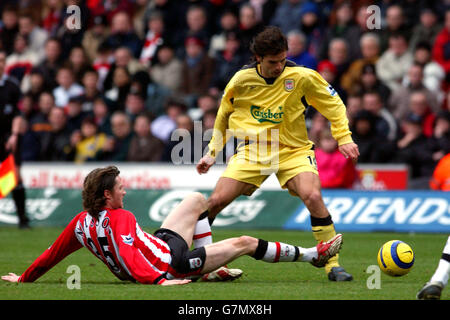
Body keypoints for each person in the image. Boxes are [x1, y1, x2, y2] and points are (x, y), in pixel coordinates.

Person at [196, 26, 359, 282]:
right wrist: (211, 152)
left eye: (283, 60)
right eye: (273, 62)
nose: (279, 66)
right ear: (258, 58)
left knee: (313, 195)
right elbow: (224, 114)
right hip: (254, 151)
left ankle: (332, 264)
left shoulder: (303, 77)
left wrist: (344, 137)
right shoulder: (241, 80)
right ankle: (199, 260)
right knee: (214, 202)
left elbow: (334, 105)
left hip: (293, 150)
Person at [1, 166, 343, 285]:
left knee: (196, 200)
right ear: (107, 195)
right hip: (172, 263)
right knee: (244, 242)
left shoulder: (80, 223)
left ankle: (208, 268)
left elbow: (51, 254)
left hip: (163, 245)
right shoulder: (122, 217)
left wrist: (25, 277)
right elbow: (127, 254)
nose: (126, 190)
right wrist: (160, 280)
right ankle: (313, 255)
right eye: (121, 187)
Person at [0, 49, 29, 229]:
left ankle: (22, 219)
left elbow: (18, 114)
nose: (0, 63)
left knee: (16, 177)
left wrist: (14, 134)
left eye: (3, 60)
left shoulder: (12, 86)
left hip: (7, 137)